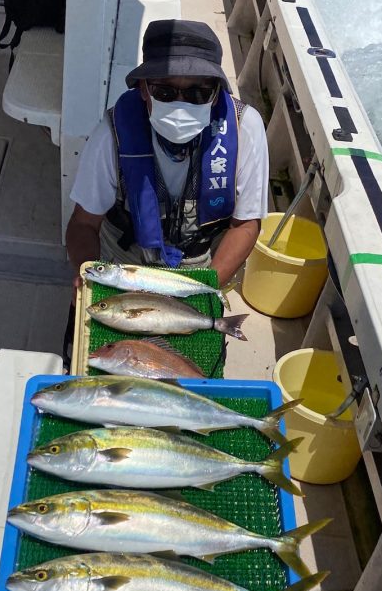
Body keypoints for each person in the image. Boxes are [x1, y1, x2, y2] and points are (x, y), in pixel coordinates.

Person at [63, 19, 269, 365]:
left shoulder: (244, 129)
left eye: (198, 93)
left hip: (200, 265)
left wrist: (203, 289)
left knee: (188, 366)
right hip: (123, 264)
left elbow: (246, 224)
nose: (182, 103)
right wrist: (87, 275)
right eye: (165, 91)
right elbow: (84, 224)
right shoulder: (111, 134)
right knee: (95, 360)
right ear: (144, 89)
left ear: (217, 92)